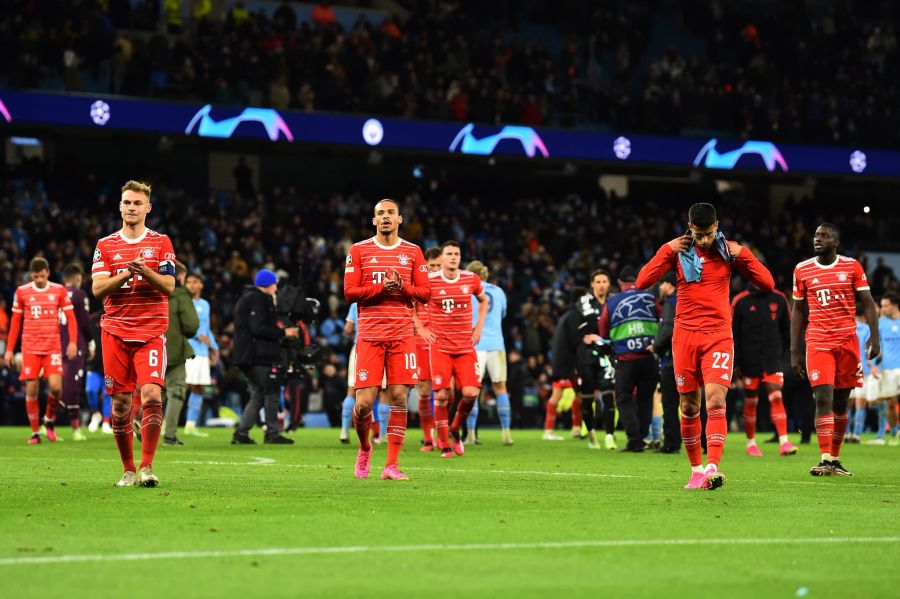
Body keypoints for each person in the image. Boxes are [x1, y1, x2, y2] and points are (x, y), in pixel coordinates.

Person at [637, 202, 774, 490]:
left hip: (718, 336)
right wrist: (666, 249)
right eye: (698, 235)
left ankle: (713, 465)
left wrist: (744, 255)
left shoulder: (730, 252)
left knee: (715, 400)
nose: (703, 240)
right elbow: (641, 282)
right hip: (685, 336)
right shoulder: (677, 251)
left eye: (708, 234)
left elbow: (768, 283)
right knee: (689, 405)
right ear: (690, 228)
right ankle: (696, 469)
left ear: (717, 226)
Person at [91, 180, 177, 487]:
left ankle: (147, 467)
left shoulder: (161, 243)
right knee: (121, 405)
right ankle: (127, 469)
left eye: (137, 203)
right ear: (120, 206)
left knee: (152, 393)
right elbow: (98, 288)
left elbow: (169, 286)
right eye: (127, 202)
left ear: (147, 208)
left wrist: (145, 272)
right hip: (115, 332)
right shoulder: (106, 245)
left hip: (152, 331)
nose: (131, 207)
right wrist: (127, 272)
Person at [343, 199, 430, 479]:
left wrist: (403, 287)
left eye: (390, 213)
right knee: (363, 404)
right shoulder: (358, 251)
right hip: (369, 336)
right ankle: (365, 447)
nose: (385, 217)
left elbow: (425, 293)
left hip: (402, 337)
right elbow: (349, 292)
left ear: (400, 219)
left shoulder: (413, 253)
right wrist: (382, 287)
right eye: (380, 213)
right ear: (373, 220)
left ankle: (391, 465)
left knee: (399, 398)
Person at [791, 223, 879, 476]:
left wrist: (875, 337)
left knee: (841, 403)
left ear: (836, 243)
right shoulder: (802, 269)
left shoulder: (851, 266)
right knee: (823, 398)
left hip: (847, 342)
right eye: (817, 235)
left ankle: (836, 458)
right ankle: (825, 459)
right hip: (818, 341)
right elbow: (797, 311)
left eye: (825, 236)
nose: (818, 239)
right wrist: (794, 352)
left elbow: (869, 304)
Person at [3, 257, 79, 443]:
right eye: (35, 276)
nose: (38, 279)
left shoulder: (58, 290)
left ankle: (49, 420)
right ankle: (35, 433)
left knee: (56, 388)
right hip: (30, 347)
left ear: (48, 272)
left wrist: (73, 342)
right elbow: (15, 322)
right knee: (31, 388)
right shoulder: (22, 292)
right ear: (31, 274)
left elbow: (71, 318)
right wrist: (10, 350)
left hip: (52, 347)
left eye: (41, 275)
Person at [425, 241, 487, 458]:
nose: (453, 257)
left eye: (456, 254)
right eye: (449, 254)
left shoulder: (471, 279)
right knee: (441, 395)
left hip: (464, 347)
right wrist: (419, 328)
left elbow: (483, 300)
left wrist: (478, 327)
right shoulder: (429, 281)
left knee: (471, 393)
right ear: (441, 258)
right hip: (440, 347)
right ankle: (444, 445)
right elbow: (412, 303)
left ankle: (455, 427)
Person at [231, 268, 297, 445]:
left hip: (247, 355)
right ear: (269, 284)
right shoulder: (258, 298)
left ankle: (242, 433)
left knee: (258, 394)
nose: (276, 287)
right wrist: (284, 332)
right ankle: (272, 433)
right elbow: (258, 328)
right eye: (274, 283)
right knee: (272, 391)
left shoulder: (248, 297)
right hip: (257, 355)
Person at [598, 266, 660, 452]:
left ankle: (634, 439)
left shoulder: (612, 301)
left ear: (619, 282)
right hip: (650, 357)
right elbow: (664, 320)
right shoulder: (651, 298)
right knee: (645, 399)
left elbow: (603, 329)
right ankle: (641, 437)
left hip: (626, 358)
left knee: (624, 398)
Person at [731, 283, 797, 456]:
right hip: (748, 361)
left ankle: (784, 442)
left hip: (772, 359)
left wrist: (787, 357)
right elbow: (733, 334)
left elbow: (787, 331)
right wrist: (735, 363)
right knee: (751, 400)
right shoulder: (740, 301)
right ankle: (750, 443)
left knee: (776, 395)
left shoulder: (779, 298)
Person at [466, 260, 511, 446]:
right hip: (496, 344)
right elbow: (503, 315)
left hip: (475, 345)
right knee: (500, 388)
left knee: (473, 390)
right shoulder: (498, 291)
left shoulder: (467, 290)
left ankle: (470, 434)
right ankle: (506, 434)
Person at [575, 269, 616, 448]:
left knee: (608, 393)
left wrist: (601, 338)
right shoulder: (585, 299)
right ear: (592, 284)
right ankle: (591, 433)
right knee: (588, 396)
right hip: (586, 355)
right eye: (598, 282)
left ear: (609, 284)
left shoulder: (614, 300)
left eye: (604, 282)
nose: (601, 285)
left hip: (606, 352)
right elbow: (592, 321)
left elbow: (612, 324)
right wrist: (604, 333)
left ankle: (609, 436)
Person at [162, 262, 200, 446]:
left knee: (151, 392)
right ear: (180, 277)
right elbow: (191, 325)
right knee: (176, 392)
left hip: (150, 348)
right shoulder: (180, 295)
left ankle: (143, 429)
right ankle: (169, 435)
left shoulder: (152, 291)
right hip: (174, 350)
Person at [412, 247, 442, 450]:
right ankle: (428, 437)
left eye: (438, 266)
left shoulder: (449, 284)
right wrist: (420, 328)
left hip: (443, 342)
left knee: (444, 391)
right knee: (424, 390)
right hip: (421, 342)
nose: (435, 270)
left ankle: (443, 435)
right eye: (432, 266)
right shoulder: (418, 284)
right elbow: (409, 309)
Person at [545, 288, 583, 441]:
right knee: (557, 395)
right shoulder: (574, 316)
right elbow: (575, 340)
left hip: (568, 362)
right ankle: (548, 431)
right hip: (564, 363)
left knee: (579, 394)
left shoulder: (568, 315)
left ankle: (576, 428)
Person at [61, 263, 94, 441]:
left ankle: (46, 423)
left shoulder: (55, 293)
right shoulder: (80, 295)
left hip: (55, 344)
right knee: (72, 387)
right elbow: (85, 323)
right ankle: (74, 427)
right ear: (78, 278)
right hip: (75, 344)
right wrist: (90, 341)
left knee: (58, 386)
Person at [184, 271, 218, 436]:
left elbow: (207, 328)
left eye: (194, 281)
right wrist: (197, 334)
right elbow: (182, 325)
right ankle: (164, 423)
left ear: (201, 285)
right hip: (187, 349)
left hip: (203, 352)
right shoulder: (183, 303)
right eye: (188, 282)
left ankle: (190, 425)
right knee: (178, 387)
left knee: (198, 388)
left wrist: (215, 347)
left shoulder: (205, 304)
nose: (190, 284)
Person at [652, 271, 681, 453]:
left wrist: (655, 347)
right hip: (688, 358)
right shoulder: (685, 302)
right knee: (695, 402)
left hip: (672, 361)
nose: (659, 288)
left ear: (668, 285)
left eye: (661, 284)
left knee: (670, 403)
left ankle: (671, 443)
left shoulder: (670, 303)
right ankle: (703, 441)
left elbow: (668, 329)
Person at [871, 294, 900, 445]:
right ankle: (895, 432)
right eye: (882, 306)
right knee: (890, 402)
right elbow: (876, 345)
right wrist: (874, 364)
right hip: (887, 369)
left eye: (886, 305)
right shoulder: (880, 323)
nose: (882, 309)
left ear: (895, 305)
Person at [849, 303, 879, 443]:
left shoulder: (846, 327)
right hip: (863, 371)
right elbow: (869, 350)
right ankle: (857, 434)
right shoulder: (867, 329)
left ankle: (846, 434)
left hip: (846, 370)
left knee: (844, 403)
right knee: (860, 404)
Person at [86, 310, 113, 433]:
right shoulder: (93, 318)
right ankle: (96, 414)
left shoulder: (118, 318)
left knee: (108, 393)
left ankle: (106, 421)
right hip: (94, 364)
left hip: (111, 363)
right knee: (90, 390)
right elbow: (86, 336)